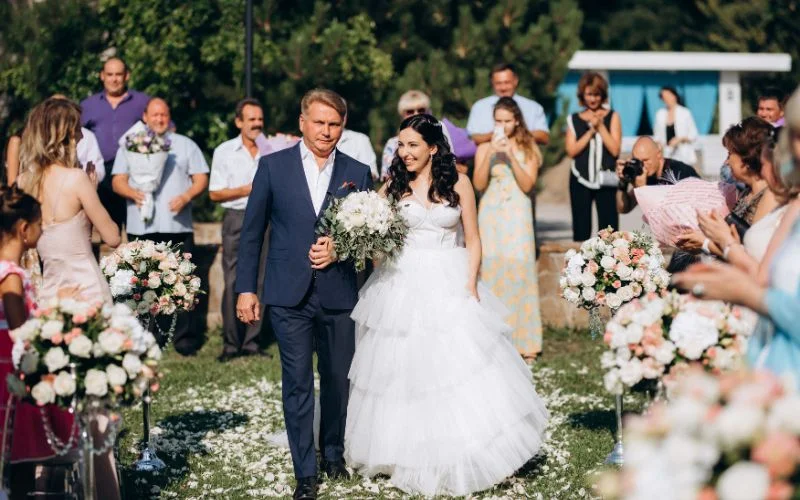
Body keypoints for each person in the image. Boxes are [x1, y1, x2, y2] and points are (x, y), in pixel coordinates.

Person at [344, 114, 548, 497]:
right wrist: (369, 241)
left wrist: (470, 285)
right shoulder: (390, 188)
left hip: (450, 278)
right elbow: (375, 244)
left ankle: (471, 448)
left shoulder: (459, 182)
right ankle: (403, 451)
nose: (404, 152)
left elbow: (473, 239)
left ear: (433, 148)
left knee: (457, 368)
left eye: (412, 145)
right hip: (399, 283)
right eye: (400, 144)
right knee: (401, 371)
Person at [235, 89, 372, 500]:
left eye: (334, 124)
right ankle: (305, 473)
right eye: (319, 122)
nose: (326, 131)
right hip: (286, 294)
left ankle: (333, 454)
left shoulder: (358, 171)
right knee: (296, 383)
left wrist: (341, 249)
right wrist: (246, 289)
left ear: (342, 126)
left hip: (339, 293)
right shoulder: (272, 167)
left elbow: (369, 237)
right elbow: (253, 233)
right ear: (302, 122)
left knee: (336, 380)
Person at [16, 98, 121, 500]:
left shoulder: (25, 181)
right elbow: (110, 236)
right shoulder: (77, 180)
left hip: (49, 294)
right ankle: (100, 485)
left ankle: (48, 478)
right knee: (96, 392)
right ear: (64, 134)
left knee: (55, 390)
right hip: (89, 294)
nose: (81, 135)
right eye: (76, 129)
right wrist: (92, 191)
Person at [673, 87, 800, 384]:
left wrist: (724, 249)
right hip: (769, 355)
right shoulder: (794, 204)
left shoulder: (778, 200)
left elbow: (763, 282)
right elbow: (766, 277)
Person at [112, 97, 209, 355]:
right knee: (142, 284)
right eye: (154, 114)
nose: (159, 119)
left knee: (183, 283)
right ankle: (145, 337)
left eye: (164, 114)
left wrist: (186, 196)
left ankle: (184, 339)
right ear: (145, 116)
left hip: (177, 225)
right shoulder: (130, 145)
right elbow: (118, 180)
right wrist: (134, 194)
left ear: (169, 116)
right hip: (141, 225)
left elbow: (200, 178)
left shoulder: (185, 145)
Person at [473, 97, 543, 360]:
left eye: (506, 121)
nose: (501, 126)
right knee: (491, 273)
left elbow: (528, 185)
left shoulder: (528, 147)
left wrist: (511, 155)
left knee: (520, 271)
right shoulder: (484, 147)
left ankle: (525, 343)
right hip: (491, 215)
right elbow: (478, 185)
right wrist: (490, 153)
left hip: (517, 215)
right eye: (497, 121)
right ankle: (493, 340)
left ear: (516, 121)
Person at [209, 98, 268, 362]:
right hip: (236, 216)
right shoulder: (224, 151)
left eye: (259, 119)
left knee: (262, 279)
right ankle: (231, 344)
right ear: (239, 122)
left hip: (267, 217)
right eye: (251, 119)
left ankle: (252, 343)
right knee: (233, 278)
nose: (257, 123)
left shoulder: (272, 148)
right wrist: (247, 189)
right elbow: (214, 193)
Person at [674, 118, 780, 256]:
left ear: (746, 158)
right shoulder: (747, 192)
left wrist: (705, 243)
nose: (727, 161)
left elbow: (752, 253)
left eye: (730, 154)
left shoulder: (769, 195)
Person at [81, 57, 152, 230]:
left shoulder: (143, 102)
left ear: (127, 76)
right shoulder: (88, 105)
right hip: (99, 174)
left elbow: (163, 130)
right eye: (110, 74)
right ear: (102, 76)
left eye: (118, 74)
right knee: (101, 228)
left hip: (133, 174)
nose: (114, 79)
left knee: (135, 228)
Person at [565, 72, 622, 241]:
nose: (593, 99)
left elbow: (614, 149)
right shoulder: (573, 119)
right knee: (581, 226)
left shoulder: (613, 116)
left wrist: (601, 127)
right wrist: (591, 130)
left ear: (602, 95)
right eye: (589, 94)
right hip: (580, 177)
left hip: (606, 178)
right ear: (582, 95)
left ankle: (610, 264)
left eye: (597, 94)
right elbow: (572, 150)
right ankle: (581, 264)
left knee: (609, 228)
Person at [6, 96, 105, 186]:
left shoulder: (27, 178)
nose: (81, 135)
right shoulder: (75, 178)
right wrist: (90, 188)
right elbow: (12, 183)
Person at [467, 63, 549, 145]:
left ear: (515, 81)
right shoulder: (479, 107)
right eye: (498, 83)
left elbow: (544, 136)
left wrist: (517, 135)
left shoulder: (533, 108)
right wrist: (494, 135)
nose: (503, 88)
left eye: (507, 82)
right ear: (492, 83)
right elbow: (472, 137)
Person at [380, 90, 455, 179]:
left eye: (421, 110)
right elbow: (388, 178)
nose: (416, 114)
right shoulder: (392, 144)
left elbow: (450, 165)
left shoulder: (440, 133)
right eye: (410, 111)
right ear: (402, 114)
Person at [653, 86, 699, 167]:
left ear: (675, 96)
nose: (666, 99)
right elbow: (657, 136)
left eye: (668, 95)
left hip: (684, 155)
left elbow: (693, 134)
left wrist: (679, 139)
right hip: (667, 154)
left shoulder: (685, 113)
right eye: (664, 97)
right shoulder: (660, 114)